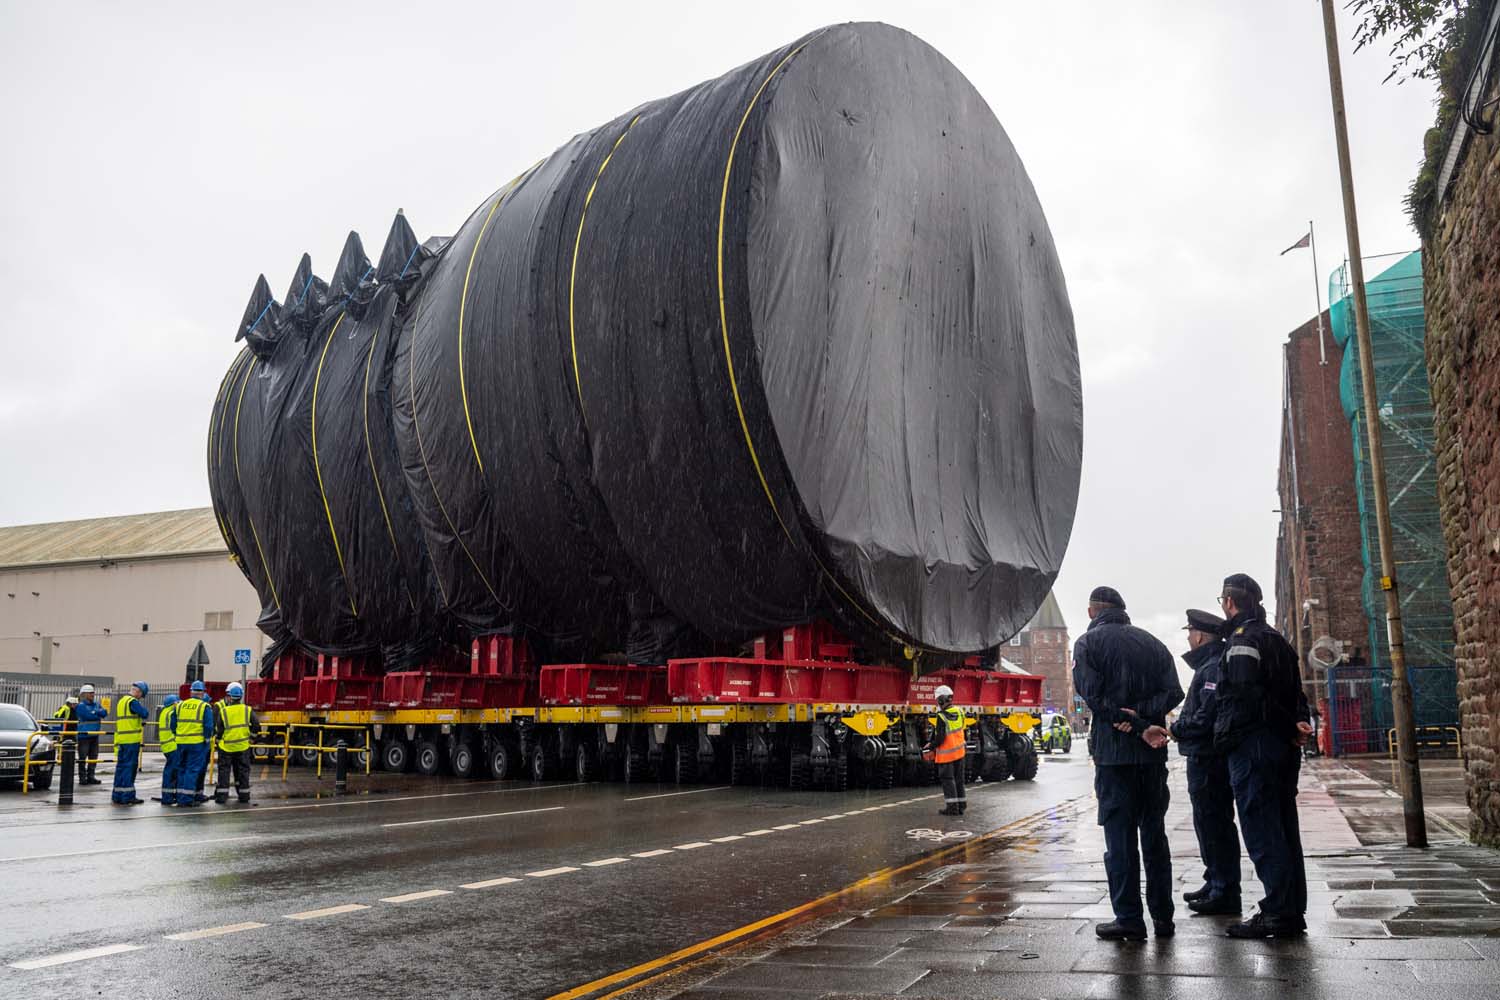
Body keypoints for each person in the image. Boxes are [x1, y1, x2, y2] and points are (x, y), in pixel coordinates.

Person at [1071, 585, 1184, 941]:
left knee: (1119, 840)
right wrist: (1147, 717)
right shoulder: (1152, 643)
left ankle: (1129, 919)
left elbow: (1092, 696)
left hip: (1114, 757)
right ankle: (1164, 918)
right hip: (1151, 757)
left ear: (1092, 612)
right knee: (1154, 836)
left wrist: (1130, 722)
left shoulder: (1088, 645)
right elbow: (1175, 692)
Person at [1214, 573, 1313, 939]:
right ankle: (1289, 909)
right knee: (1285, 829)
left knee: (1262, 830)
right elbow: (1295, 693)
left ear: (1229, 602)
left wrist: (1289, 725)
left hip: (1255, 746)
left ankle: (1277, 912)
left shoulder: (1243, 641)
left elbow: (1246, 694)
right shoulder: (1278, 641)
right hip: (1282, 748)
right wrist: (1299, 723)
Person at [1168, 609, 1240, 914]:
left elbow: (1205, 716)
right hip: (1204, 755)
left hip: (1208, 757)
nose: (1188, 638)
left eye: (1190, 633)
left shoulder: (1211, 667)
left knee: (1214, 824)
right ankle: (1215, 881)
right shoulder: (1210, 664)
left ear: (1199, 636)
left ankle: (1224, 890)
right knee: (1207, 823)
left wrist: (1175, 729)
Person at [213, 682, 259, 805]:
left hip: (226, 747)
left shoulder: (223, 711)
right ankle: (244, 796)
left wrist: (218, 740)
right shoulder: (247, 710)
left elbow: (219, 729)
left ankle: (222, 797)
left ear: (230, 696)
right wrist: (251, 739)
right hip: (243, 747)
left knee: (224, 772)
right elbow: (256, 725)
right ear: (241, 696)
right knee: (243, 772)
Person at [924, 684, 967, 816]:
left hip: (946, 755)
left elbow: (941, 737)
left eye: (938, 700)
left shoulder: (941, 716)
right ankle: (961, 806)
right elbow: (962, 728)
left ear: (942, 700)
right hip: (959, 753)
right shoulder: (959, 711)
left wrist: (930, 746)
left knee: (948, 780)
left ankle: (952, 808)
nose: (938, 703)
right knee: (959, 779)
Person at [172, 681, 212, 807]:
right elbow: (208, 726)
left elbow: (172, 724)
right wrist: (207, 739)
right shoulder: (204, 707)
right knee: (192, 770)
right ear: (202, 693)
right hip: (196, 744)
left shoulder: (180, 705)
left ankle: (180, 796)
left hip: (181, 742)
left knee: (181, 769)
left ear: (191, 692)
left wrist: (178, 734)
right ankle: (187, 799)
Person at [111, 682, 150, 805]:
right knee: (129, 768)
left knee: (121, 768)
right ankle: (127, 796)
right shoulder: (132, 702)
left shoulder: (122, 701)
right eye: (141, 695)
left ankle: (117, 794)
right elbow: (144, 714)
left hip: (122, 739)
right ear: (138, 691)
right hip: (131, 740)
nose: (140, 698)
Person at [74, 684, 108, 785]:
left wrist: (95, 712)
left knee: (93, 757)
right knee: (82, 758)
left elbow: (105, 713)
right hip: (84, 736)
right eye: (90, 693)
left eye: (93, 692)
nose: (92, 694)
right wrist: (97, 713)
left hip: (94, 735)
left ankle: (91, 776)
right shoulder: (80, 706)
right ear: (84, 694)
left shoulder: (96, 704)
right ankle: (82, 778)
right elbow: (87, 715)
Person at [156, 694, 181, 807]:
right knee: (172, 772)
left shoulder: (164, 712)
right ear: (173, 703)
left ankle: (168, 795)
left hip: (166, 746)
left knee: (170, 771)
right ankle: (168, 797)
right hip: (173, 745)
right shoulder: (172, 712)